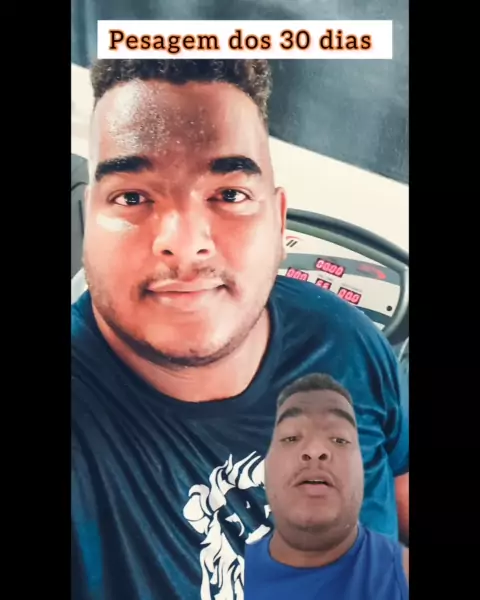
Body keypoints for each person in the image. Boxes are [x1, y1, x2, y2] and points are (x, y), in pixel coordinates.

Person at [71, 58, 409, 600]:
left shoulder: (346, 340)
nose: (185, 244)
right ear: (89, 219)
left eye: (229, 195)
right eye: (133, 197)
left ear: (278, 220)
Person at [244, 373, 409, 599]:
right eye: (291, 438)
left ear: (362, 466)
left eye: (339, 439)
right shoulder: (219, 574)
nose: (314, 450)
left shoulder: (399, 576)